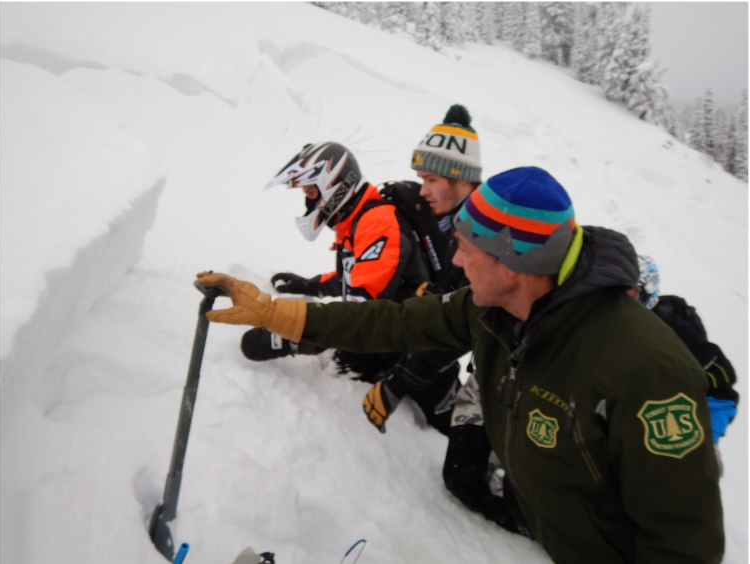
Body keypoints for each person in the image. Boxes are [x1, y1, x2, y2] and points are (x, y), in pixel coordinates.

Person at [197, 165, 724, 562]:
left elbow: (683, 542)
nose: (453, 260)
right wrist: (274, 313)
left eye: (467, 248)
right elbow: (389, 323)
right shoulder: (490, 307)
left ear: (516, 262)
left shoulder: (647, 372)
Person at [241, 140, 456, 432]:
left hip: (416, 350)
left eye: (311, 192)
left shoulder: (376, 223)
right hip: (393, 338)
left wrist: (289, 335)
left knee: (458, 432)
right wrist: (309, 285)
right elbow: (357, 279)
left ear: (334, 185)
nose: (308, 202)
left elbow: (358, 312)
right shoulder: (357, 221)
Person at [362, 103, 482, 433]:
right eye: (420, 179)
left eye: (431, 179)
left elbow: (462, 329)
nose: (423, 189)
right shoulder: (429, 205)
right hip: (417, 333)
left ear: (461, 180)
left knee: (462, 446)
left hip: (468, 361)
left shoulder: (486, 239)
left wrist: (398, 384)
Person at [630, 254, 739, 474]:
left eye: (627, 290)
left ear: (645, 291)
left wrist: (707, 441)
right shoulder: (601, 323)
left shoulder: (678, 336)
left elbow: (720, 393)